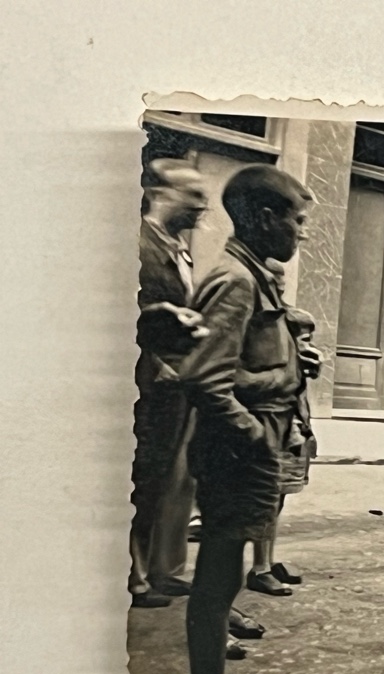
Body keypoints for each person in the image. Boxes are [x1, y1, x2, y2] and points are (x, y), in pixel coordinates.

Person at [173, 164, 315, 674]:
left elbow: (244, 361)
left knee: (224, 578)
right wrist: (254, 433)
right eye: (296, 220)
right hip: (236, 451)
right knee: (216, 581)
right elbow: (205, 379)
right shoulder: (235, 279)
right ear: (264, 217)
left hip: (248, 446)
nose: (301, 231)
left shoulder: (255, 274)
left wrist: (289, 362)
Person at [129, 158, 208, 609]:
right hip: (144, 382)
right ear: (159, 194)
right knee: (140, 477)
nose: (202, 205)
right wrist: (156, 346)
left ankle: (158, 569)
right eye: (192, 195)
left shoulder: (178, 248)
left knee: (166, 479)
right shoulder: (136, 243)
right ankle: (132, 577)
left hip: (174, 383)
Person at [245, 306, 319, 596]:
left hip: (294, 435)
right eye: (304, 340)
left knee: (279, 499)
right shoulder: (274, 365)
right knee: (268, 498)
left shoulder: (297, 365)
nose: (308, 346)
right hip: (277, 435)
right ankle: (259, 568)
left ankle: (268, 560)